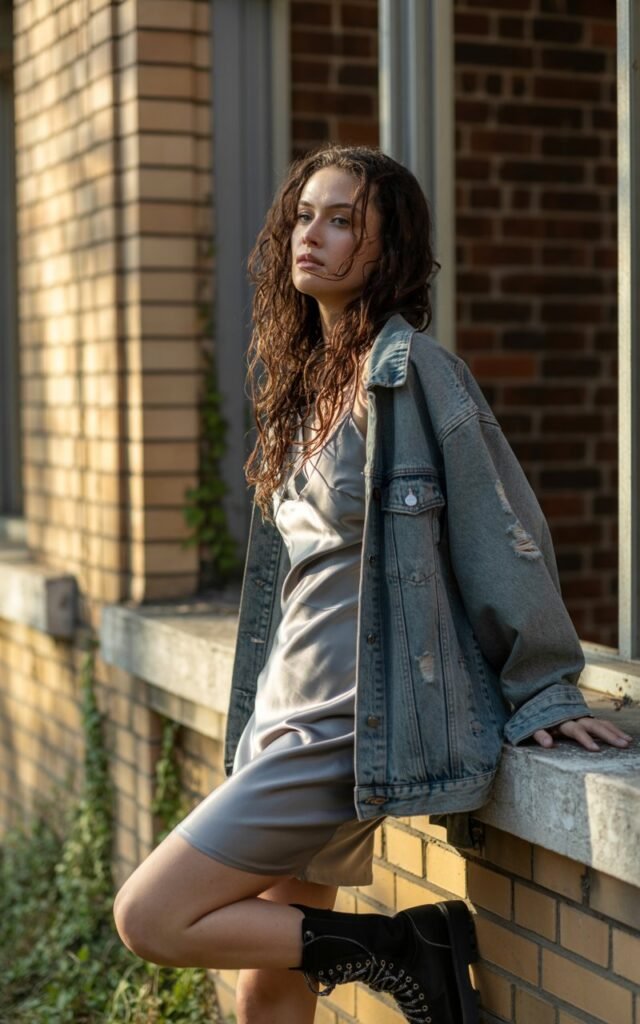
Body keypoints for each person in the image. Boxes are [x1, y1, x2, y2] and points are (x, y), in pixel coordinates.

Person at [113, 145, 632, 1024]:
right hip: (283, 714)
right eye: (304, 215)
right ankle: (395, 950)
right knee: (266, 987)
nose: (310, 234)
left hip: (347, 730)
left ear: (385, 251)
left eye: (342, 218)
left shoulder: (413, 374)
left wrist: (544, 688)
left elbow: (500, 531)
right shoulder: (305, 385)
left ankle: (402, 947)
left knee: (152, 915)